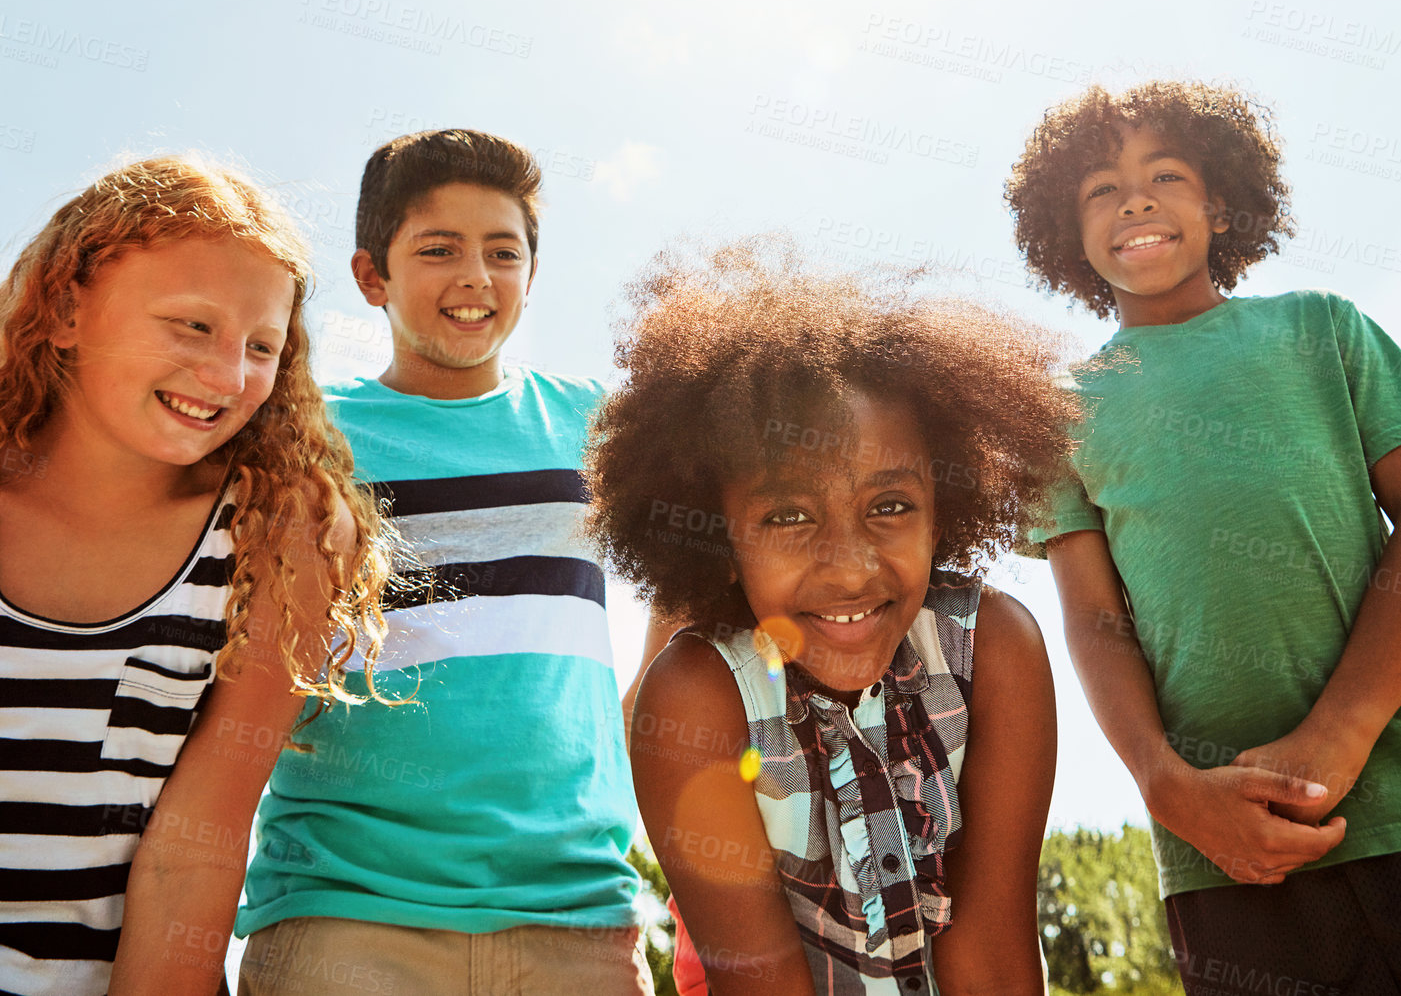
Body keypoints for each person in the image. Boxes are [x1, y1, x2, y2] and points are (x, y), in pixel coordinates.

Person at [586, 239, 1074, 995]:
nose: (849, 566)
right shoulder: (695, 697)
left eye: (889, 505)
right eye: (787, 514)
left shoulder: (993, 649)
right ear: (717, 535)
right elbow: (760, 980)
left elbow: (993, 954)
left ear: (943, 512)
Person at [1006, 80, 1401, 994]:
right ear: (1067, 231)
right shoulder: (1059, 414)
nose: (1134, 199)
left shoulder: (1320, 329)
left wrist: (1340, 731)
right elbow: (1092, 623)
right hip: (1217, 856)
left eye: (1165, 174)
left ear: (1221, 202)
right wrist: (1164, 784)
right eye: (1100, 188)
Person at [238, 129, 653, 996]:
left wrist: (628, 724)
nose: (475, 276)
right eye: (438, 249)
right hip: (345, 911)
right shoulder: (306, 431)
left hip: (576, 915)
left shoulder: (601, 428)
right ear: (371, 276)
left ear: (530, 278)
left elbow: (703, 571)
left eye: (503, 252)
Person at [0, 156, 390, 996]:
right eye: (191, 326)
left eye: (262, 346)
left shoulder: (278, 542)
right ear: (65, 308)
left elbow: (196, 845)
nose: (228, 376)